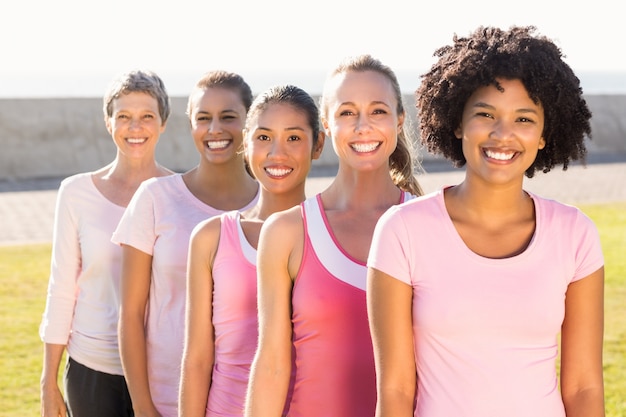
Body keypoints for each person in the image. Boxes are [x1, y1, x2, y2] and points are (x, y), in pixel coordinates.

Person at [367, 25, 605, 417]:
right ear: (458, 122)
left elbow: (583, 387)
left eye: (524, 119)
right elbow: (395, 391)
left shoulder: (575, 234)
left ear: (545, 134)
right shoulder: (402, 231)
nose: (502, 134)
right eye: (485, 114)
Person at [245, 54, 423, 417]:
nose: (363, 126)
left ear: (399, 121)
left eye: (377, 111)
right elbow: (272, 365)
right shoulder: (287, 232)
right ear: (326, 124)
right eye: (346, 112)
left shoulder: (430, 224)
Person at [112, 70, 260, 417]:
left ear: (250, 123)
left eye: (228, 117)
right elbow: (131, 315)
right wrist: (143, 407)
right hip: (167, 401)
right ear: (190, 124)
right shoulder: (155, 198)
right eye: (203, 118)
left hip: (249, 402)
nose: (214, 130)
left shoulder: (274, 209)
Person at [179, 84, 325, 417]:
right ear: (245, 143)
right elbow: (198, 357)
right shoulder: (211, 238)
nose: (277, 153)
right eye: (263, 138)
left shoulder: (331, 235)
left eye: (293, 138)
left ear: (318, 145)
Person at [39, 69, 174, 417]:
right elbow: (61, 289)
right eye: (124, 117)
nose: (135, 128)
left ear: (163, 123)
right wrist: (47, 382)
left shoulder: (179, 195)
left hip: (162, 371)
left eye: (147, 117)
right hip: (91, 371)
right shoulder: (75, 193)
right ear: (108, 122)